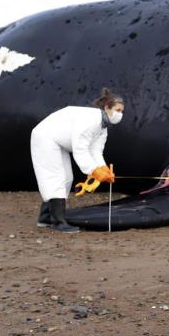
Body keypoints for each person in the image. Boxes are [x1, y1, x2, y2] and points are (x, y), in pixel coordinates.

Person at [29, 88, 124, 233]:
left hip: (58, 142)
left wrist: (104, 169)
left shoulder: (102, 128)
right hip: (45, 138)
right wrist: (94, 171)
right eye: (118, 110)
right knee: (56, 177)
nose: (120, 115)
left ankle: (45, 217)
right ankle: (58, 222)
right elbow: (81, 150)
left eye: (122, 111)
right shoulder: (90, 120)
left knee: (67, 178)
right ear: (107, 107)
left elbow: (96, 151)